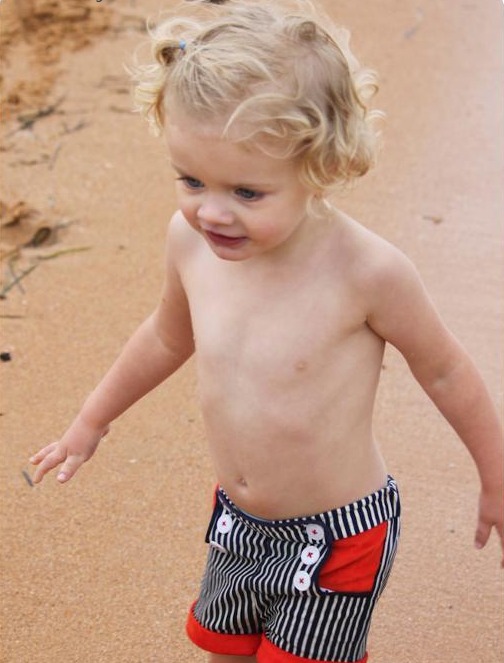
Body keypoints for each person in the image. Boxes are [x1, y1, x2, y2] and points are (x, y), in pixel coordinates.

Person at [29, 1, 503, 661]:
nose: (211, 210)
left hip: (338, 538)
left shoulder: (366, 272)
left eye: (247, 193)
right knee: (225, 651)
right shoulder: (188, 243)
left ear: (320, 165)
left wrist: (495, 473)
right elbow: (167, 337)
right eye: (191, 180)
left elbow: (446, 370)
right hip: (237, 527)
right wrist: (92, 419)